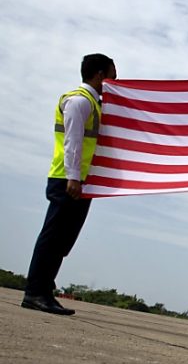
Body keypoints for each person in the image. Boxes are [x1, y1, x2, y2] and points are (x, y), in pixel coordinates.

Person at [22, 54, 117, 316]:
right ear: (99, 75)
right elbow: (73, 142)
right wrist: (74, 178)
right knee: (53, 237)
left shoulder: (95, 103)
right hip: (68, 179)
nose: (114, 82)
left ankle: (43, 288)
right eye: (112, 76)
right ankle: (35, 292)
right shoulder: (79, 101)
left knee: (64, 240)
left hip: (81, 181)